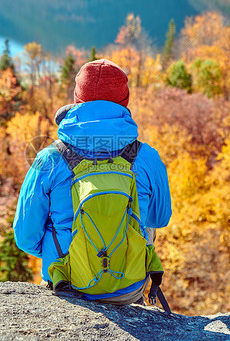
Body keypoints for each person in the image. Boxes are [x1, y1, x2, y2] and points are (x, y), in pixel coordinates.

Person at [13, 59, 171, 303]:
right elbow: (160, 219)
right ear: (124, 102)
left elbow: (25, 237)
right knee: (145, 218)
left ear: (77, 99)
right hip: (129, 287)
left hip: (66, 284)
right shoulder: (147, 156)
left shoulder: (49, 158)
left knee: (53, 219)